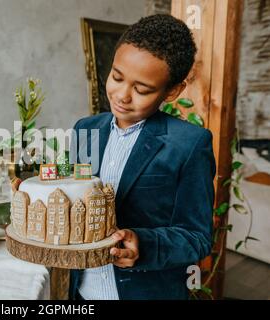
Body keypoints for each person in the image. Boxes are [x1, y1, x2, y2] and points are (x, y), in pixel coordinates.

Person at [70, 14, 216, 300]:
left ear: (172, 91)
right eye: (116, 77)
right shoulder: (85, 129)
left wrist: (144, 244)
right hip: (83, 291)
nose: (122, 95)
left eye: (142, 89)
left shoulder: (189, 145)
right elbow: (75, 188)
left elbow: (197, 238)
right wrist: (37, 186)